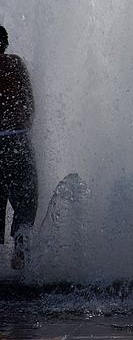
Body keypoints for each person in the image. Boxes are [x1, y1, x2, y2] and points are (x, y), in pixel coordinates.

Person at [0, 25, 38, 269]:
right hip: (16, 139)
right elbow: (30, 105)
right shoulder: (14, 64)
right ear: (5, 44)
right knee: (27, 200)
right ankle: (20, 254)